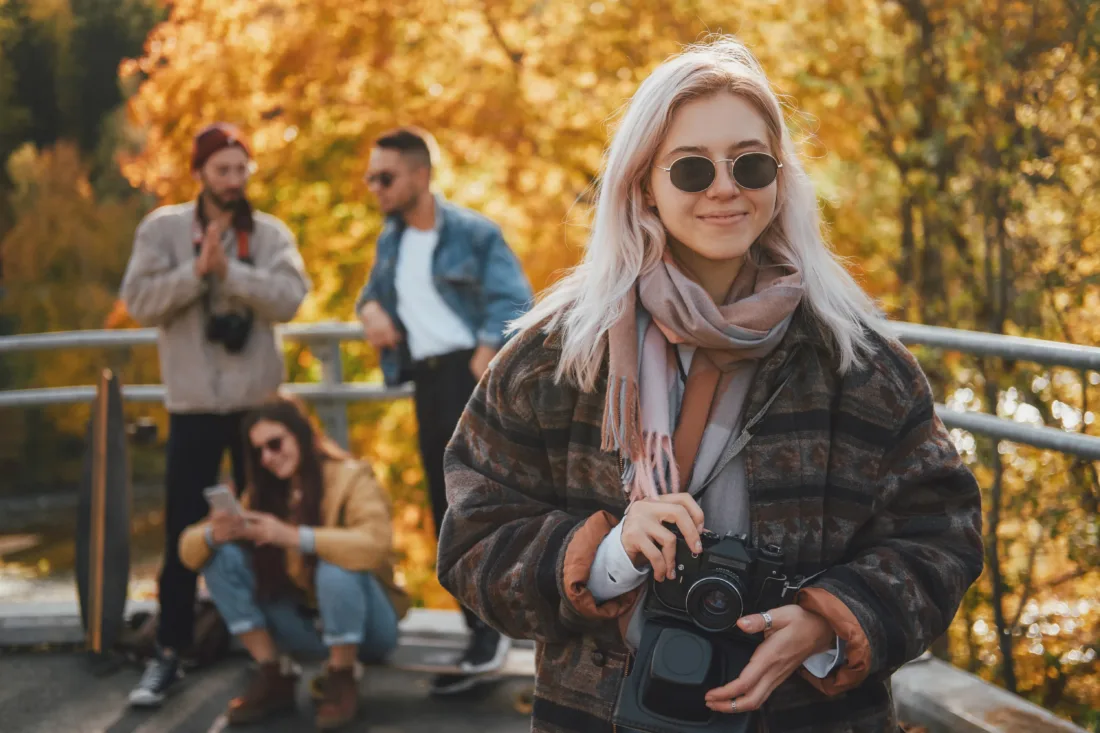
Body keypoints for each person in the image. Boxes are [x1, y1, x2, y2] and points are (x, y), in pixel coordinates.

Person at [437, 38, 984, 733]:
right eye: (692, 169)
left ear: (780, 179)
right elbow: (473, 538)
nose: (725, 188)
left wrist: (828, 621)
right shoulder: (556, 359)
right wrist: (608, 555)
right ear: (643, 185)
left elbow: (943, 535)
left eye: (750, 164)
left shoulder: (857, 361)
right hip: (601, 716)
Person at [120, 123, 311, 706]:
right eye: (222, 169)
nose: (233, 180)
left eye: (240, 170)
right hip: (194, 407)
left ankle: (273, 652)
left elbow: (291, 298)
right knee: (184, 529)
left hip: (259, 409)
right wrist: (195, 273)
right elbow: (138, 301)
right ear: (199, 172)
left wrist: (233, 274)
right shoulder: (162, 230)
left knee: (267, 522)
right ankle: (169, 650)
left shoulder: (269, 234)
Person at [354, 126, 533, 694]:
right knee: (445, 510)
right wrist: (370, 311)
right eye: (370, 177)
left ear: (420, 175)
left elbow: (514, 299)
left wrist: (485, 352)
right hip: (427, 383)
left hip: (470, 377)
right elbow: (372, 294)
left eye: (385, 177)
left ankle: (499, 630)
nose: (375, 187)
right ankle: (479, 631)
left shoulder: (473, 233)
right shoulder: (391, 240)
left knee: (484, 505)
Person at [177, 394, 410, 730]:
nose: (268, 458)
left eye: (275, 444)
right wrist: (214, 534)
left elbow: (374, 544)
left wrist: (291, 536)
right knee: (219, 557)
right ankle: (274, 673)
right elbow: (187, 553)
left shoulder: (351, 477)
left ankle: (342, 675)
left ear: (301, 434)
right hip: (304, 624)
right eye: (259, 451)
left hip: (369, 629)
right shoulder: (263, 492)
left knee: (335, 564)